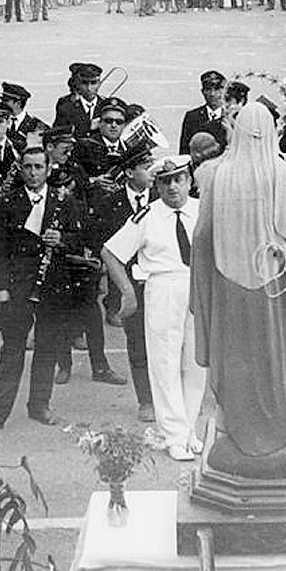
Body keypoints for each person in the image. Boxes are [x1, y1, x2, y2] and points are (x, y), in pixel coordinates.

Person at [187, 101, 286, 475]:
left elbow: (201, 240)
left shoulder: (217, 178)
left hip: (233, 300)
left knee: (239, 363)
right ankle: (285, 428)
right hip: (283, 299)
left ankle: (237, 431)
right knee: (278, 361)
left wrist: (210, 287)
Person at [104, 155, 207, 461]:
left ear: (189, 181)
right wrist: (128, 293)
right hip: (162, 288)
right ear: (156, 185)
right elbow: (110, 253)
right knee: (164, 363)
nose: (173, 187)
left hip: (198, 287)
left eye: (178, 179)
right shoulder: (146, 216)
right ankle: (173, 434)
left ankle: (187, 430)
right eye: (165, 181)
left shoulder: (203, 211)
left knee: (196, 364)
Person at [0, 147, 84, 435]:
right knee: (13, 349)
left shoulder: (64, 200)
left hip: (52, 285)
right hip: (18, 285)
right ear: (20, 168)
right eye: (27, 166)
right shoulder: (8, 202)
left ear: (48, 168)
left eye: (39, 167)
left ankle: (39, 405)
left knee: (47, 347)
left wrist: (62, 238)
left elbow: (82, 238)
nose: (33, 172)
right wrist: (0, 288)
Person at [178, 71, 228, 155]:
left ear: (224, 91)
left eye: (217, 89)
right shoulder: (192, 117)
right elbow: (184, 152)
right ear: (202, 92)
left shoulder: (231, 117)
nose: (212, 94)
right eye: (208, 90)